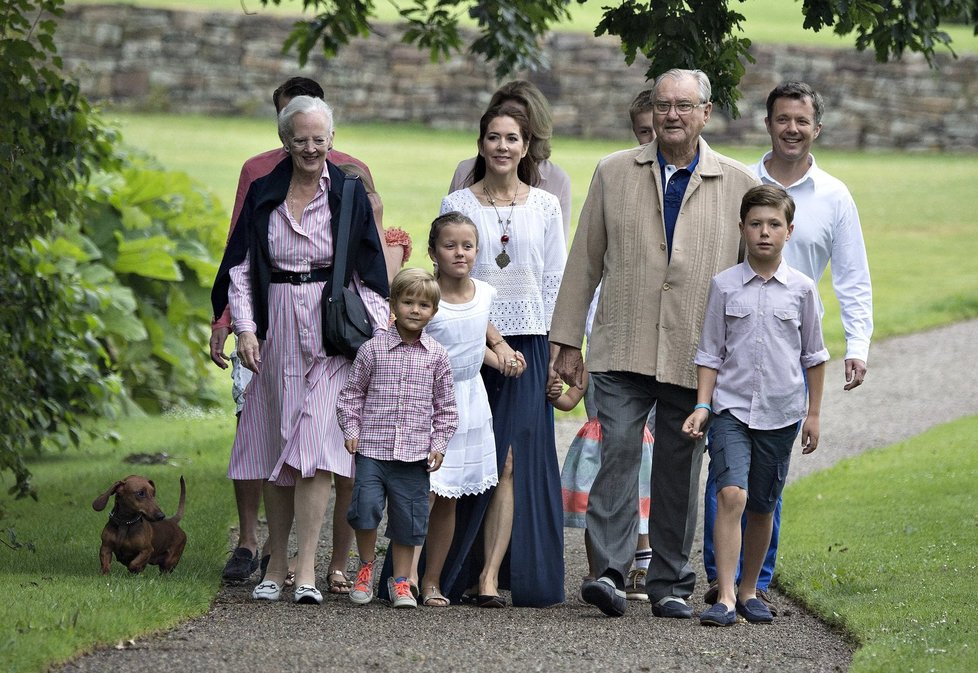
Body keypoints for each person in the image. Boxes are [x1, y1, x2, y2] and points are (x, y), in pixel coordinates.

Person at [550, 68, 758, 619]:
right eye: (664, 104)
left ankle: (670, 581)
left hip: (694, 353)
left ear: (706, 113)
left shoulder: (736, 182)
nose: (672, 114)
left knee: (677, 466)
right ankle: (612, 574)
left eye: (684, 106)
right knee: (616, 450)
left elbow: (751, 277)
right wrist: (568, 338)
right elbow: (584, 260)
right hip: (621, 344)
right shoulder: (614, 172)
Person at [210, 95, 390, 604]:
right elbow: (241, 268)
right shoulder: (265, 191)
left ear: (331, 139)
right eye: (300, 139)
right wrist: (244, 327)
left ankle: (306, 569)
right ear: (285, 141)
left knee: (315, 445)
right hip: (276, 327)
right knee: (277, 443)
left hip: (331, 328)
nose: (310, 148)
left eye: (319, 139)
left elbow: (370, 274)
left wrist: (373, 341)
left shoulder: (349, 192)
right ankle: (274, 563)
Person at [702, 81, 874, 613]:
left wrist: (858, 343)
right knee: (729, 484)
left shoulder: (835, 196)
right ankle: (721, 581)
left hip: (791, 350)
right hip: (733, 349)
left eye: (802, 120)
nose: (792, 128)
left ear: (815, 128)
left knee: (765, 490)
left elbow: (851, 276)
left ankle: (757, 583)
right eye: (783, 119)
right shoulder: (738, 183)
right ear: (769, 123)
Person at [440, 103, 567, 607]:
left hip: (531, 345)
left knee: (511, 459)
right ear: (481, 143)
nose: (502, 147)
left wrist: (561, 351)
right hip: (470, 342)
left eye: (512, 138)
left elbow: (556, 279)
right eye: (493, 137)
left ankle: (491, 575)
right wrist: (490, 342)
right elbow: (451, 277)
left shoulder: (545, 206)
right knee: (467, 457)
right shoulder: (458, 202)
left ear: (527, 145)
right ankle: (449, 571)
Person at [686, 184, 828, 626]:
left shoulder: (802, 290)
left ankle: (750, 590)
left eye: (773, 225)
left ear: (788, 231)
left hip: (782, 412)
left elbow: (814, 356)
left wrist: (814, 414)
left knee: (763, 505)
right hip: (730, 410)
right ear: (742, 229)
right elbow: (710, 353)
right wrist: (703, 405)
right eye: (755, 224)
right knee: (732, 493)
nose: (764, 233)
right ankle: (725, 596)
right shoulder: (724, 287)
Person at [336, 268, 459, 608]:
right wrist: (351, 431)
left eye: (423, 305)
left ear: (433, 311)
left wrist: (438, 445)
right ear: (392, 304)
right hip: (373, 451)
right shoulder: (373, 350)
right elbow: (351, 396)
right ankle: (365, 568)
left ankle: (401, 581)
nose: (415, 310)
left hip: (414, 456)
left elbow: (446, 408)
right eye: (407, 302)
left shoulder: (437, 356)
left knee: (409, 521)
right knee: (365, 509)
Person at [414, 212, 515, 607]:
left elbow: (473, 347)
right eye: (450, 245)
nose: (460, 253)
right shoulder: (427, 297)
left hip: (470, 402)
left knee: (451, 495)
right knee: (424, 493)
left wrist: (503, 356)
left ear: (477, 251)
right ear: (433, 252)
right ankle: (405, 576)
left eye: (467, 246)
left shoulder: (485, 294)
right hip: (430, 402)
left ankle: (432, 583)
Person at [554, 365, 655, 601]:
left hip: (632, 439)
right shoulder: (590, 367)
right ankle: (596, 572)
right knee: (596, 507)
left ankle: (642, 569)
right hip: (595, 445)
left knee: (638, 505)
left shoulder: (636, 364)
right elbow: (570, 400)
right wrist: (554, 395)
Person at [449, 80, 573, 240]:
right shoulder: (466, 171)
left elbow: (556, 251)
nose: (509, 122)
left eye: (518, 118)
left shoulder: (557, 180)